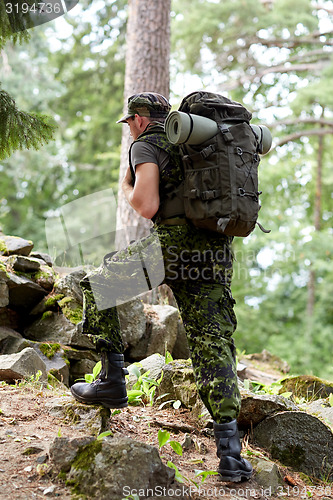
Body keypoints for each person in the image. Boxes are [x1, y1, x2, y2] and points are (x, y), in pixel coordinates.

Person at [70, 92, 253, 483]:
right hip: (215, 251)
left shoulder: (147, 143)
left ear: (138, 119)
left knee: (99, 284)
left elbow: (147, 204)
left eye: (130, 122)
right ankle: (230, 455)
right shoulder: (196, 143)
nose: (130, 128)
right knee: (212, 341)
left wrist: (126, 188)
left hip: (172, 247)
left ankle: (112, 382)